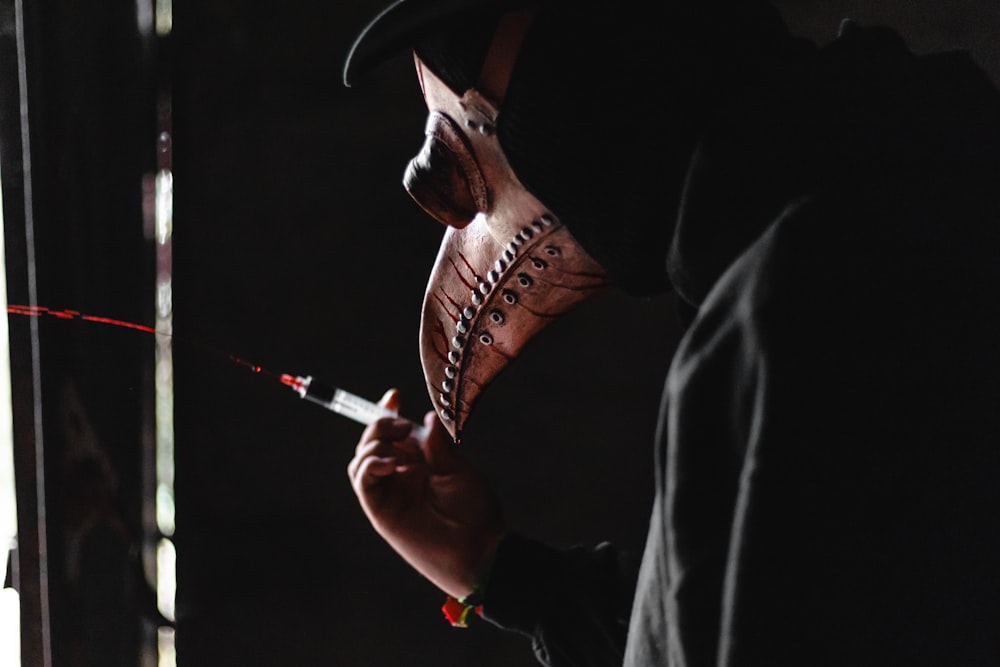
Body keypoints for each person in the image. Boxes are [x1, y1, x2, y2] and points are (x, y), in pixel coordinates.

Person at [343, 1, 1000, 664]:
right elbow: (765, 612)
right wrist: (504, 571)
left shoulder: (798, 302)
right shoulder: (922, 162)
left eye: (471, 135)